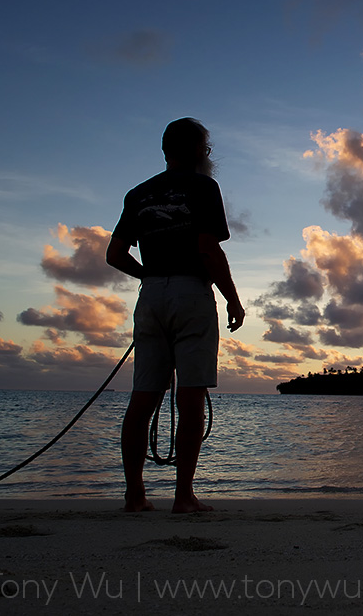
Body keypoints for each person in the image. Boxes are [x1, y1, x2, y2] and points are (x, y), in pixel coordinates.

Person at [106, 117, 245, 513]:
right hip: (190, 293)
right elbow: (207, 249)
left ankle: (135, 496)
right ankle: (183, 496)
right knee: (191, 399)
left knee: (142, 399)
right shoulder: (204, 186)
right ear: (201, 151)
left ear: (166, 151)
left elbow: (114, 255)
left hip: (150, 297)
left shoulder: (138, 194)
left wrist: (149, 274)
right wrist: (233, 299)